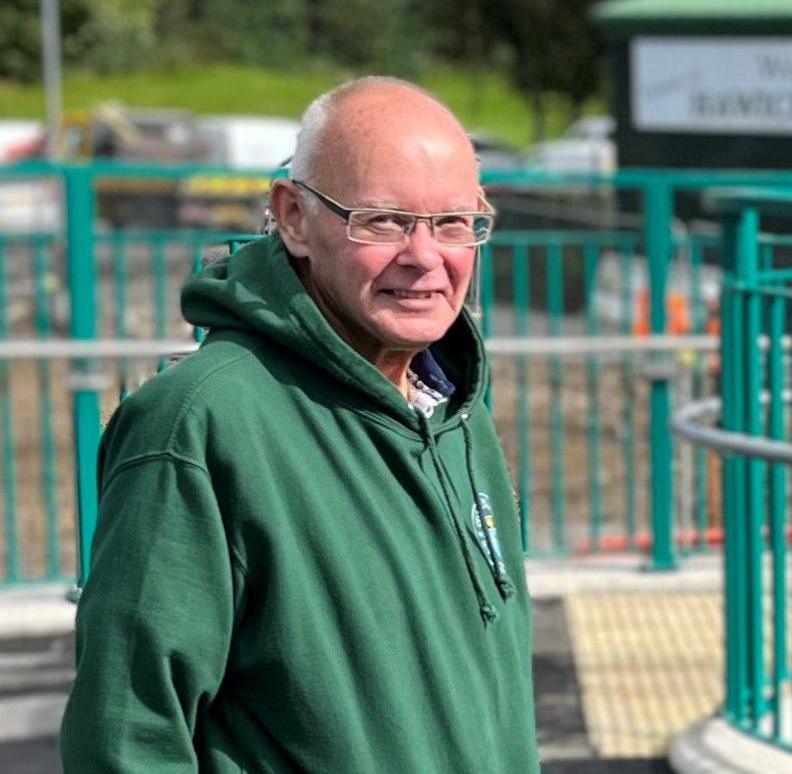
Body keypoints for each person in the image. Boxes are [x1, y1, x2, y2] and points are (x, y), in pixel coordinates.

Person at [60, 77, 538, 772]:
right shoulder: (200, 422)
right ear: (292, 217)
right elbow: (125, 737)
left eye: (454, 222)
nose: (425, 256)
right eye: (382, 219)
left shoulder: (456, 413)